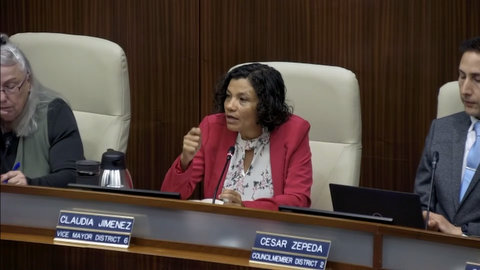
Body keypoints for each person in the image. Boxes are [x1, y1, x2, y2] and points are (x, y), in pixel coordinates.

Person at [161, 63, 312, 210]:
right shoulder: (212, 127)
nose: (230, 106)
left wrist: (244, 207)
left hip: (269, 231)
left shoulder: (293, 132)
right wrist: (185, 161)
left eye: (242, 99)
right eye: (228, 96)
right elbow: (170, 197)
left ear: (266, 105)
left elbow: (298, 200)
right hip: (218, 229)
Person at [414, 36, 480, 237]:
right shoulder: (441, 129)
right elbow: (422, 197)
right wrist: (427, 218)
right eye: (462, 76)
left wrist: (459, 232)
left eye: (477, 79)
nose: (465, 90)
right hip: (436, 249)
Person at [0, 33, 84, 187]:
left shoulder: (55, 113)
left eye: (10, 87)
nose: (2, 98)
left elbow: (72, 176)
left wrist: (30, 184)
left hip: (41, 208)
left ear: (29, 82)